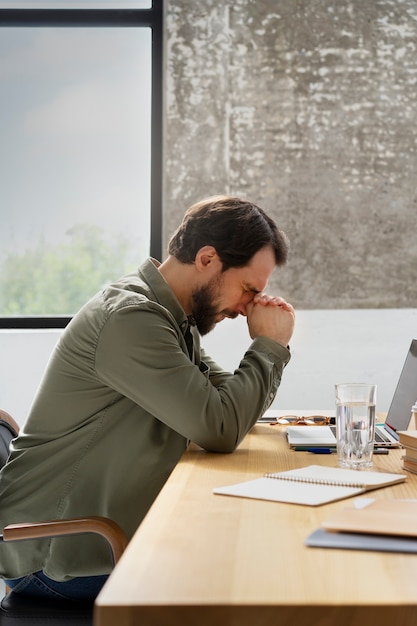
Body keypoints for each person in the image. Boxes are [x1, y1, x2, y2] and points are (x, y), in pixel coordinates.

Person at [0, 195, 295, 600]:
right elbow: (221, 426)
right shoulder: (131, 319)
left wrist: (265, 353)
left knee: (257, 555)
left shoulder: (172, 316)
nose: (248, 308)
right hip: (56, 556)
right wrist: (268, 345)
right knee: (249, 578)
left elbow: (226, 405)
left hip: (94, 540)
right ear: (207, 259)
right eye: (248, 289)